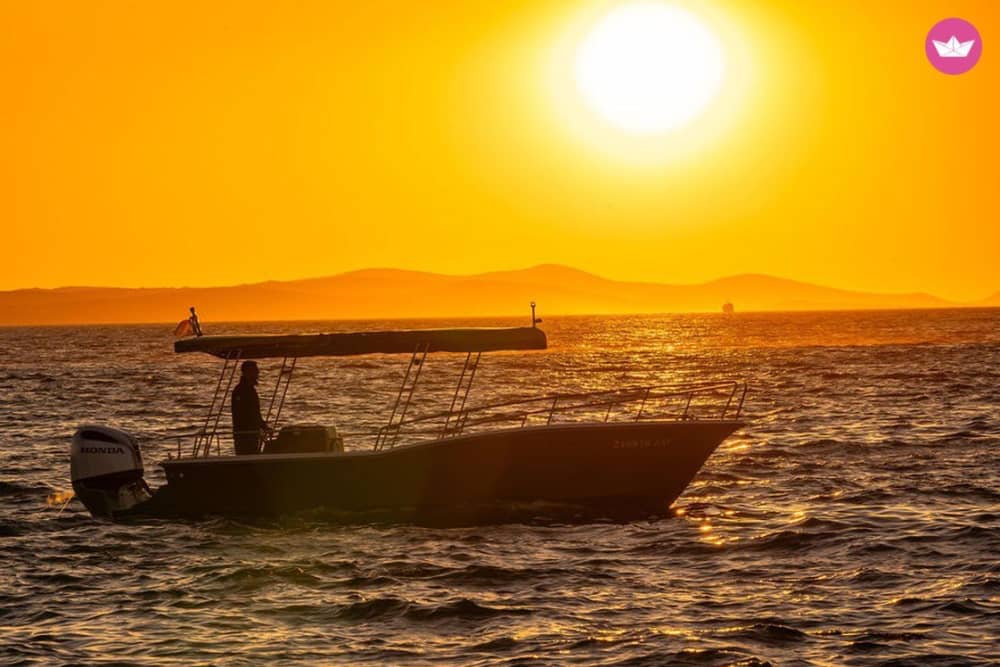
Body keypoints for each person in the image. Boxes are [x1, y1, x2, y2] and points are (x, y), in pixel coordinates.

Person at [231, 360, 270, 455]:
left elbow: (254, 413)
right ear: (248, 372)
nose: (258, 373)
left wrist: (263, 425)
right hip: (245, 436)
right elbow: (244, 414)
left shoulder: (249, 389)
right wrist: (257, 426)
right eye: (255, 371)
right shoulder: (241, 390)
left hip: (252, 434)